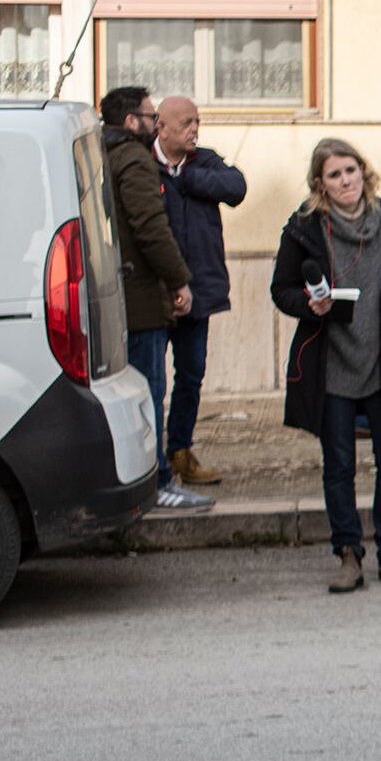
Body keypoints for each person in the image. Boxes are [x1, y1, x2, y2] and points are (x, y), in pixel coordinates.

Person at [270, 137, 381, 593]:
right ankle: (349, 555)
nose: (345, 181)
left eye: (351, 171)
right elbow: (281, 289)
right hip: (331, 367)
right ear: (319, 184)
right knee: (339, 466)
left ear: (362, 173)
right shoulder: (304, 227)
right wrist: (309, 305)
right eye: (334, 175)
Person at [97, 87, 207, 512]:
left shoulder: (98, 155)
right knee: (149, 394)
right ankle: (158, 482)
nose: (155, 122)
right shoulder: (134, 160)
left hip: (116, 296)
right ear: (131, 122)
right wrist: (179, 279)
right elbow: (150, 227)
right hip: (142, 298)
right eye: (149, 115)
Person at [152, 96, 244, 489]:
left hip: (199, 293)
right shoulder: (142, 164)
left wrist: (187, 179)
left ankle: (180, 453)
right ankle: (150, 461)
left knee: (190, 376)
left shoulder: (202, 161)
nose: (195, 129)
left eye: (197, 121)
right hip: (153, 298)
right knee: (151, 383)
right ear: (163, 127)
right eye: (187, 122)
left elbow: (236, 186)